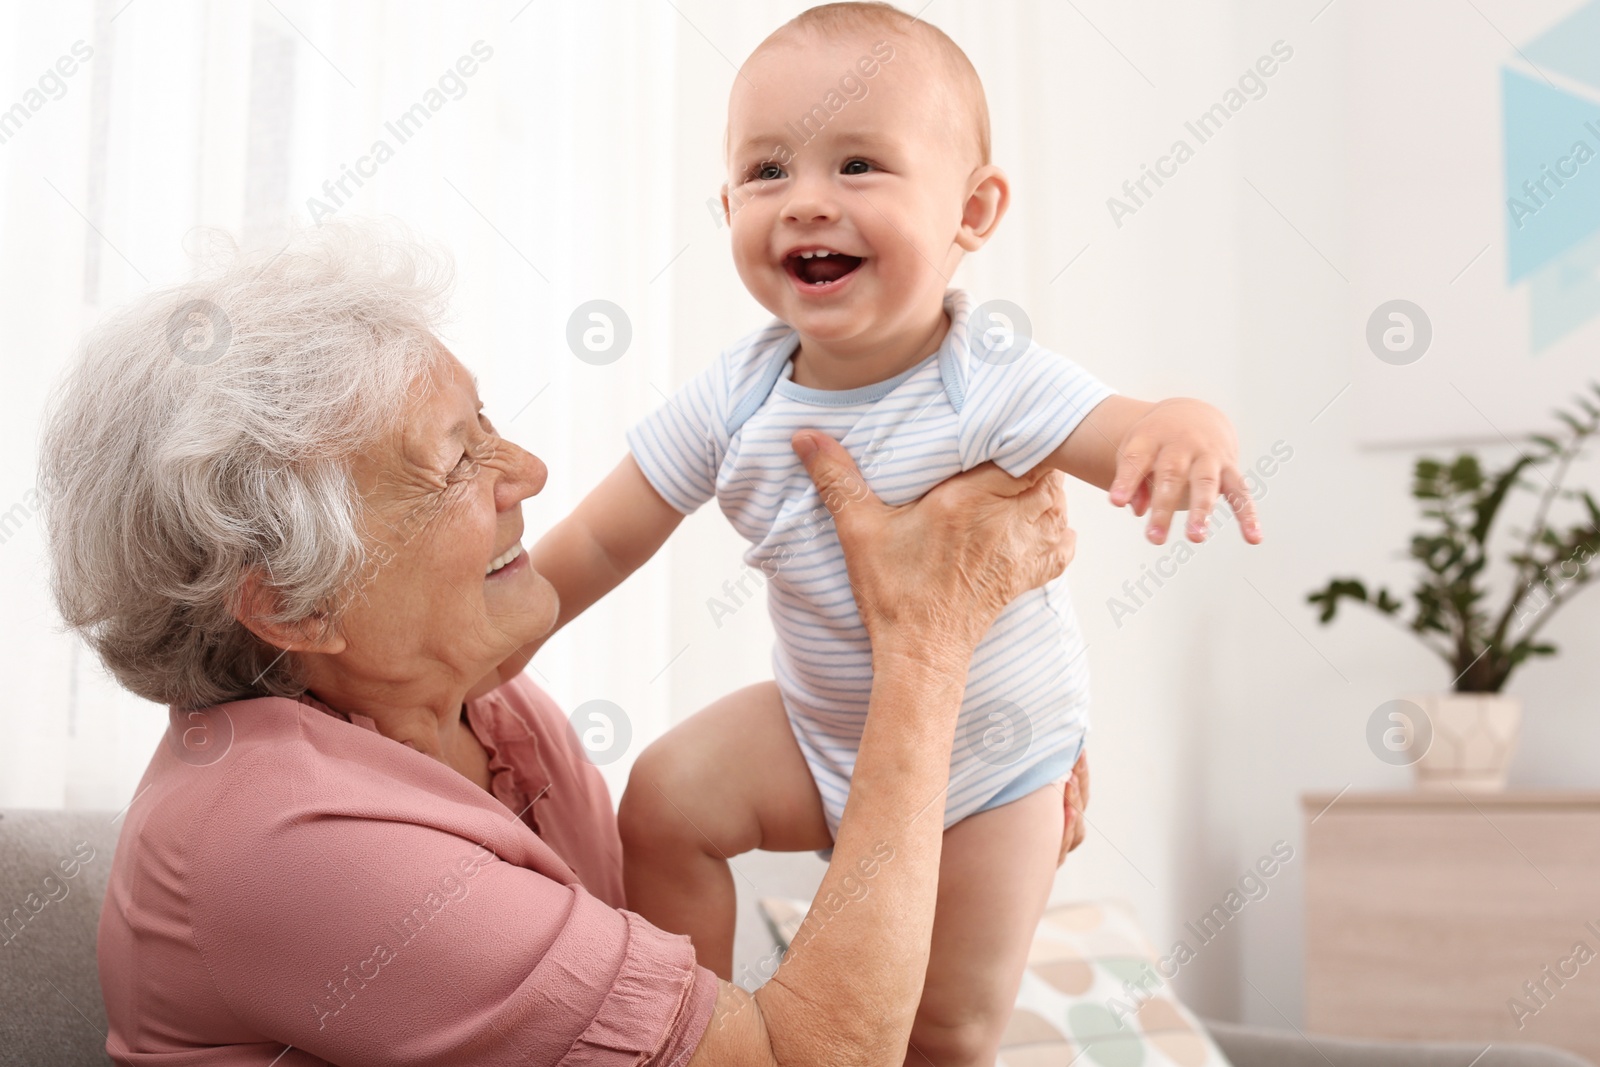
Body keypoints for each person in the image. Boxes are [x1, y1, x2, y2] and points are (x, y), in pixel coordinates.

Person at [38, 220, 1088, 1066]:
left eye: (487, 418)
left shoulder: (482, 710)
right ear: (296, 608)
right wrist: (927, 654)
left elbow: (675, 1016)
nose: (528, 470)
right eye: (457, 460)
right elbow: (803, 1056)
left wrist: (984, 785)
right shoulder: (287, 841)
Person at [531, 4, 1261, 1064]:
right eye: (767, 171)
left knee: (946, 1019)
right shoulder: (733, 398)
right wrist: (482, 650)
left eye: (859, 163)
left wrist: (1191, 433)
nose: (806, 202)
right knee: (665, 794)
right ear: (725, 202)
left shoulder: (987, 376)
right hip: (818, 725)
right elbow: (593, 548)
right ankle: (689, 1027)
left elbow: (1135, 429)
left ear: (972, 209)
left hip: (991, 761)